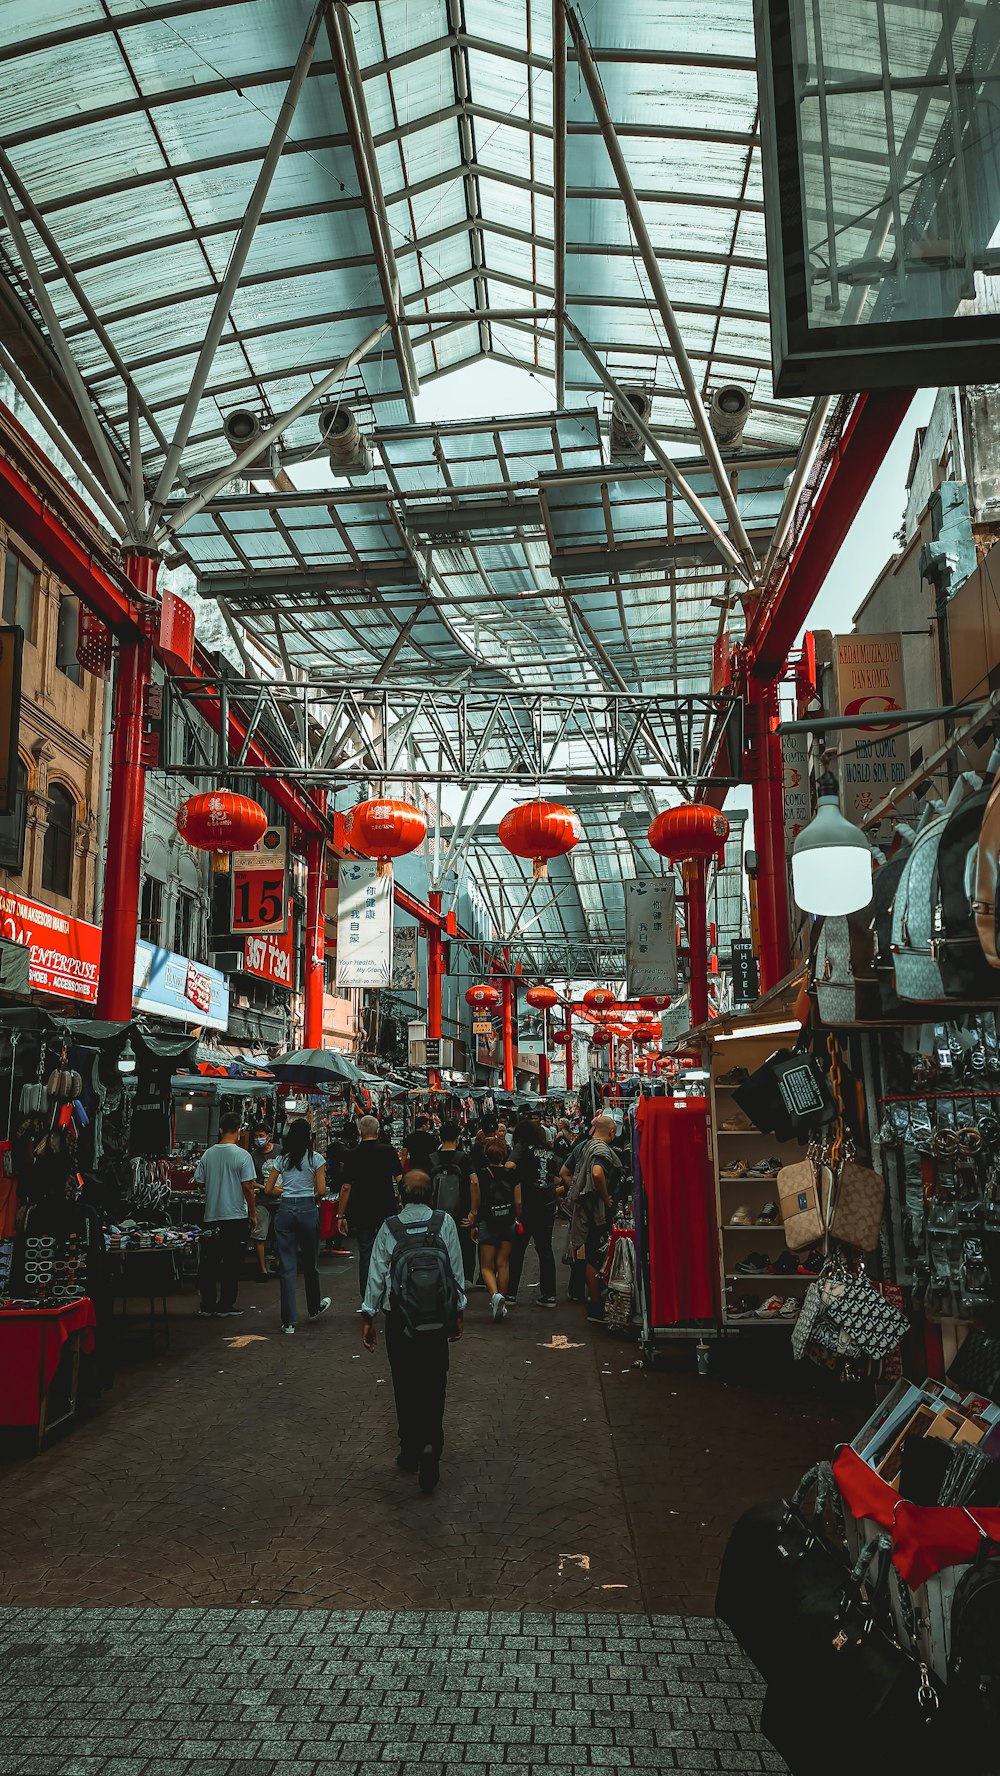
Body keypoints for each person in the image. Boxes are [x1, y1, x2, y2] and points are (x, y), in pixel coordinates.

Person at [361, 1169, 466, 1493]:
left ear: (401, 1196)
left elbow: (377, 1272)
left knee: (404, 1382)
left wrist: (368, 1315)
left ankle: (410, 1448)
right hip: (435, 1318)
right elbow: (454, 1269)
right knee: (435, 1381)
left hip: (400, 1319)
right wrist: (457, 1311)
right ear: (430, 1194)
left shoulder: (390, 1227)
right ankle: (432, 1442)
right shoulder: (443, 1223)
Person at [263, 1117, 331, 1334]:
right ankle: (313, 1307)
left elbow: (268, 1189)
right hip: (307, 1209)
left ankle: (289, 1321)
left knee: (287, 1267)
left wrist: (284, 1192)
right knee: (311, 1262)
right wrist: (311, 1199)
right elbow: (321, 1190)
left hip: (285, 1211)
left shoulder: (282, 1160)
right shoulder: (316, 1159)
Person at [195, 1111, 257, 1319]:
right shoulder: (242, 1155)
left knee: (210, 1262)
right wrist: (253, 1214)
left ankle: (207, 1303)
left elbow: (200, 1182)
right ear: (238, 1131)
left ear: (221, 1130)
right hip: (235, 1215)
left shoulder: (208, 1154)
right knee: (231, 1263)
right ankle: (225, 1304)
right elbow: (248, 1187)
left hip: (212, 1214)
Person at [336, 1115, 402, 1305]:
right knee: (389, 1252)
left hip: (361, 1209)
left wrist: (340, 1215)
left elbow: (346, 1187)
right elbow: (400, 1179)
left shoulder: (352, 1154)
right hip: (386, 1207)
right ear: (378, 1131)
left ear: (360, 1132)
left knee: (366, 1254)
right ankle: (389, 1294)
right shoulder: (388, 1151)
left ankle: (367, 1297)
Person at [565, 1114, 623, 1323]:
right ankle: (596, 1305)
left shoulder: (585, 1146)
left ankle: (594, 1300)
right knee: (594, 1257)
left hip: (586, 1211)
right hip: (595, 1213)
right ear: (612, 1132)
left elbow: (566, 1172)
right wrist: (606, 1198)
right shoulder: (600, 1150)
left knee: (591, 1254)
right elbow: (598, 1173)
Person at [506, 1116, 559, 1308]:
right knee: (545, 1249)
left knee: (518, 1249)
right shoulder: (550, 1152)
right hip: (547, 1205)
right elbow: (558, 1176)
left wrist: (517, 1180)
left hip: (527, 1206)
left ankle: (511, 1293)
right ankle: (549, 1294)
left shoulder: (522, 1148)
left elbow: (509, 1167)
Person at [474, 1135, 520, 1320]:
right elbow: (518, 1201)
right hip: (508, 1221)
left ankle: (495, 1296)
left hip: (488, 1221)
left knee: (486, 1266)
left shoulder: (481, 1175)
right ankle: (502, 1300)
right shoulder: (513, 1174)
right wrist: (517, 1219)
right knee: (503, 1263)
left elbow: (476, 1202)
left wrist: (474, 1221)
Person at [430, 1119, 479, 1287]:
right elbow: (474, 1182)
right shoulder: (464, 1158)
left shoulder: (432, 1159)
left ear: (440, 1137)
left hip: (435, 1214)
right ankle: (464, 1278)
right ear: (458, 1138)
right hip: (462, 1211)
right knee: (465, 1244)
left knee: (438, 1244)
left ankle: (440, 1276)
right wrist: (473, 1211)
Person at [251, 1123, 278, 1279]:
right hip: (262, 1200)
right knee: (259, 1235)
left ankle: (278, 1262)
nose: (258, 1139)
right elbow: (250, 1180)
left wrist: (279, 1188)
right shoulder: (254, 1156)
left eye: (261, 1136)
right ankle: (262, 1269)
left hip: (281, 1198)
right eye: (256, 1136)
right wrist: (265, 1188)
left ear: (269, 1136)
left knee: (281, 1234)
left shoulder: (280, 1151)